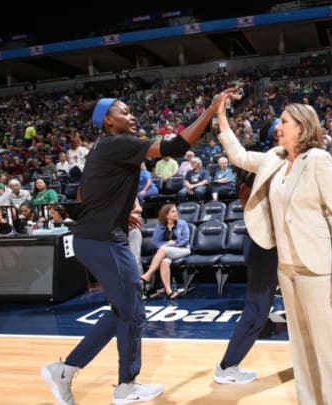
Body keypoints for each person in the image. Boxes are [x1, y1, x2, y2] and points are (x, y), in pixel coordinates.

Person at [41, 89, 234, 405]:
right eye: (124, 112)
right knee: (132, 311)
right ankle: (122, 383)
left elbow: (86, 194)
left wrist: (122, 209)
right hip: (101, 239)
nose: (132, 116)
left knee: (126, 311)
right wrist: (211, 110)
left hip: (98, 236)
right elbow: (176, 145)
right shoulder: (118, 143)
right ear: (107, 121)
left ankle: (68, 370)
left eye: (132, 112)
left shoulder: (106, 149)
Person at [216, 95, 332, 404]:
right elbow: (239, 156)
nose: (277, 127)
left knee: (329, 344)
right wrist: (222, 118)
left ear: (301, 127)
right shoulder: (275, 158)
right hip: (287, 267)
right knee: (302, 343)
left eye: (283, 122)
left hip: (318, 267)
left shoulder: (319, 160)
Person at [214, 119, 280, 385]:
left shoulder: (284, 163)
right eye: (279, 129)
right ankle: (227, 365)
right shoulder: (260, 168)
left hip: (276, 245)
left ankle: (328, 344)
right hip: (261, 243)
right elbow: (247, 199)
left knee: (307, 297)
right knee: (258, 309)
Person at [140, 204, 190, 299]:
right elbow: (155, 242)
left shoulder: (182, 223)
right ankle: (169, 291)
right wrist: (168, 244)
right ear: (166, 215)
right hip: (167, 252)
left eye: (176, 211)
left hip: (183, 249)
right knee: (164, 262)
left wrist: (170, 244)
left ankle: (148, 275)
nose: (176, 213)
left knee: (162, 249)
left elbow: (185, 240)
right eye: (173, 211)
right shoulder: (160, 226)